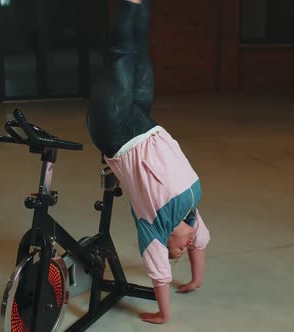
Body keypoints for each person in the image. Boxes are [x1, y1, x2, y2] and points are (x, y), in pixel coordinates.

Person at [86, 0, 210, 325]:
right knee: (140, 47)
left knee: (122, 52)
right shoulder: (192, 214)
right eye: (183, 252)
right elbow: (200, 244)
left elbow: (160, 277)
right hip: (142, 121)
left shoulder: (154, 232)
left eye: (175, 252)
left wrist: (162, 314)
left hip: (113, 131)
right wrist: (196, 280)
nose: (181, 250)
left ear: (167, 241)